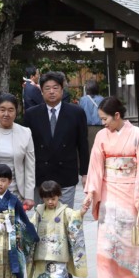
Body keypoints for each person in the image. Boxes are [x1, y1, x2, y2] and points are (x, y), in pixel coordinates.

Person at [82, 96, 139, 278]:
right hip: (107, 190)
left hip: (130, 190)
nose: (102, 123)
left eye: (105, 119)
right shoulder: (101, 136)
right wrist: (92, 192)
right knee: (106, 239)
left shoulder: (137, 134)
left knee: (126, 240)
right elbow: (95, 166)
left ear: (117, 115)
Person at [24, 71, 89, 208]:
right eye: (47, 88)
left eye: (55, 87)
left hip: (66, 173)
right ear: (41, 91)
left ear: (62, 89)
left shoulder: (76, 113)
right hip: (41, 174)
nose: (52, 92)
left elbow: (83, 144)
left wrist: (85, 172)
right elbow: (26, 147)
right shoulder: (31, 114)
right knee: (42, 216)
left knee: (64, 215)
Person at [27, 180, 88, 278]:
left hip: (59, 249)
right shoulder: (39, 211)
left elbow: (74, 217)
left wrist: (81, 212)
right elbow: (32, 224)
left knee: (59, 270)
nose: (50, 202)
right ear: (42, 198)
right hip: (42, 248)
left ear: (59, 196)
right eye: (47, 199)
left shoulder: (64, 210)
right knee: (41, 268)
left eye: (53, 199)